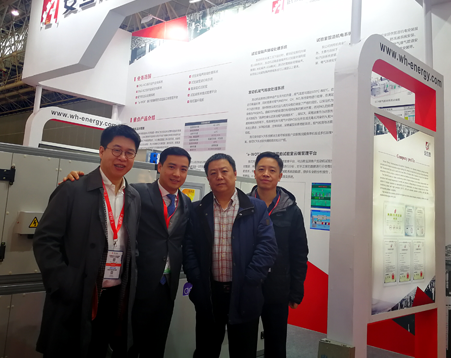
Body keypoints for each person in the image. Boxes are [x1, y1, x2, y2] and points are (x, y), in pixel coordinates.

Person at [62, 147, 193, 358]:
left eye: (183, 169)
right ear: (160, 167)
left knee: (157, 344)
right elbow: (107, 194)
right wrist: (76, 178)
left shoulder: (186, 203)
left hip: (167, 287)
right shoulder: (136, 193)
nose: (177, 174)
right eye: (171, 167)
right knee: (127, 346)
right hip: (137, 285)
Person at [33, 124, 142, 358]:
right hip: (78, 293)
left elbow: (131, 244)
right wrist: (64, 283)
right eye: (116, 150)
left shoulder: (134, 197)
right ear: (101, 151)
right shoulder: (73, 189)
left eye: (129, 152)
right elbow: (45, 239)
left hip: (115, 295)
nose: (123, 157)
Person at [183, 153, 278, 358]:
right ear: (208, 178)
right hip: (209, 293)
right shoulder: (197, 209)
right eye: (213, 173)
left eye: (224, 171)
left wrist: (251, 279)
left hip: (245, 292)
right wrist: (196, 278)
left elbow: (268, 246)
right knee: (206, 350)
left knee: (243, 351)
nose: (219, 176)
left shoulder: (256, 207)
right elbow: (189, 247)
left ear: (234, 173)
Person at [250, 152, 309, 358]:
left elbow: (299, 253)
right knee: (244, 343)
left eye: (272, 170)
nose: (266, 174)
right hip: (247, 285)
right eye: (261, 169)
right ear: (254, 173)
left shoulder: (291, 210)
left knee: (276, 344)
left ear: (280, 176)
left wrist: (296, 291)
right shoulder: (242, 205)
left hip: (277, 288)